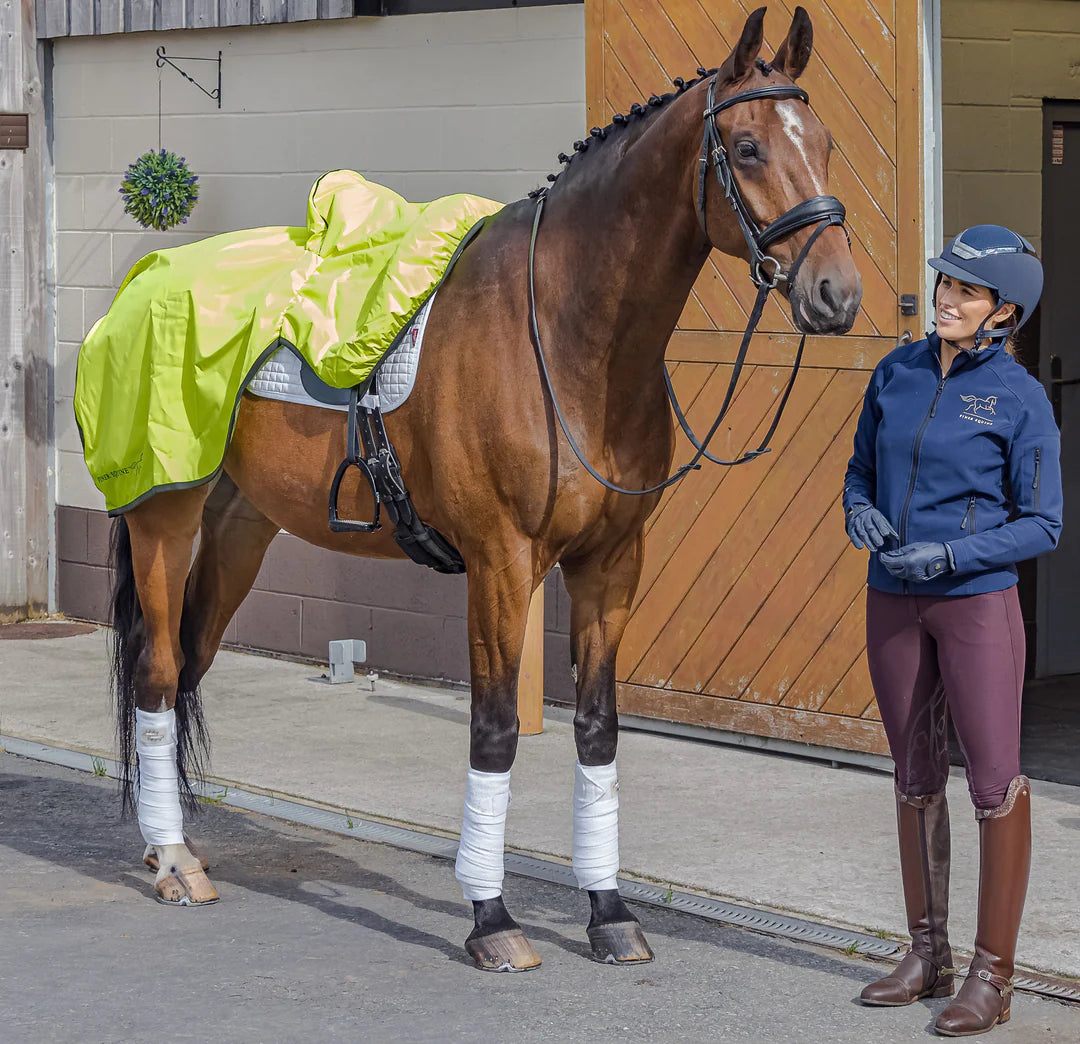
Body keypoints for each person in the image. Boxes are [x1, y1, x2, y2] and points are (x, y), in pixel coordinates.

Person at [842, 225, 1062, 1037]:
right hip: (890, 597)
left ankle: (991, 978)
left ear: (1001, 311)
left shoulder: (1019, 398)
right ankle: (924, 954)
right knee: (912, 770)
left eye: (965, 291)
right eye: (943, 284)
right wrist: (857, 507)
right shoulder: (894, 371)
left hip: (975, 606)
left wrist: (956, 553)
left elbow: (1044, 523)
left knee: (994, 783)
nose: (945, 298)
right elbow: (860, 468)